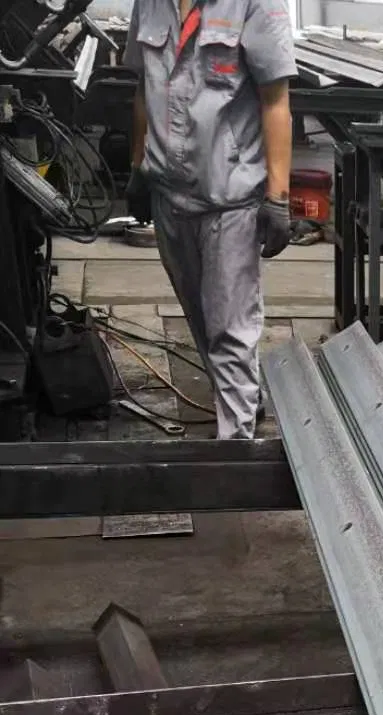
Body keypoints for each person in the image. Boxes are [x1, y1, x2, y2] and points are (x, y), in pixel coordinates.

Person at [123, 0, 297, 439]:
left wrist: (278, 197)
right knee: (201, 318)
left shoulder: (255, 4)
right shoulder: (149, 3)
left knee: (230, 330)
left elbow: (276, 100)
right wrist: (137, 167)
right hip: (169, 194)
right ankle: (243, 398)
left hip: (230, 199)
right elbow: (144, 86)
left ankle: (234, 448)